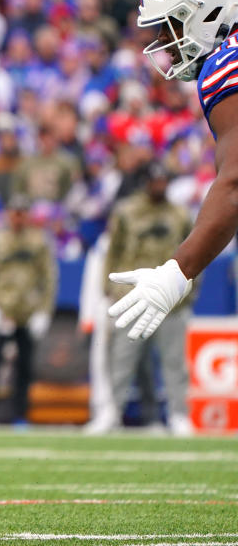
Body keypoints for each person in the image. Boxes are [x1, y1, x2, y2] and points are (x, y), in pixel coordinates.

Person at [108, 0, 238, 347]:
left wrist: (177, 272)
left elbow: (235, 183)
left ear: (211, 8)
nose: (167, 39)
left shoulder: (226, 63)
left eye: (174, 22)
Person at [88, 163, 195, 435]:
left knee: (174, 360)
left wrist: (188, 292)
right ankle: (111, 411)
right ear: (146, 182)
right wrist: (108, 288)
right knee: (121, 358)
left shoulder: (179, 214)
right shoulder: (127, 212)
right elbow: (112, 251)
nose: (159, 185)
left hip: (172, 299)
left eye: (163, 181)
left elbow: (194, 255)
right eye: (154, 181)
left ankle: (178, 415)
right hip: (134, 296)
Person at [0, 195, 57, 424]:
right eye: (14, 212)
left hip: (27, 312)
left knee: (25, 365)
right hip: (2, 309)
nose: (18, 217)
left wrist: (44, 311)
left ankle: (21, 414)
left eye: (22, 212)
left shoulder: (39, 241)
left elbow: (48, 278)